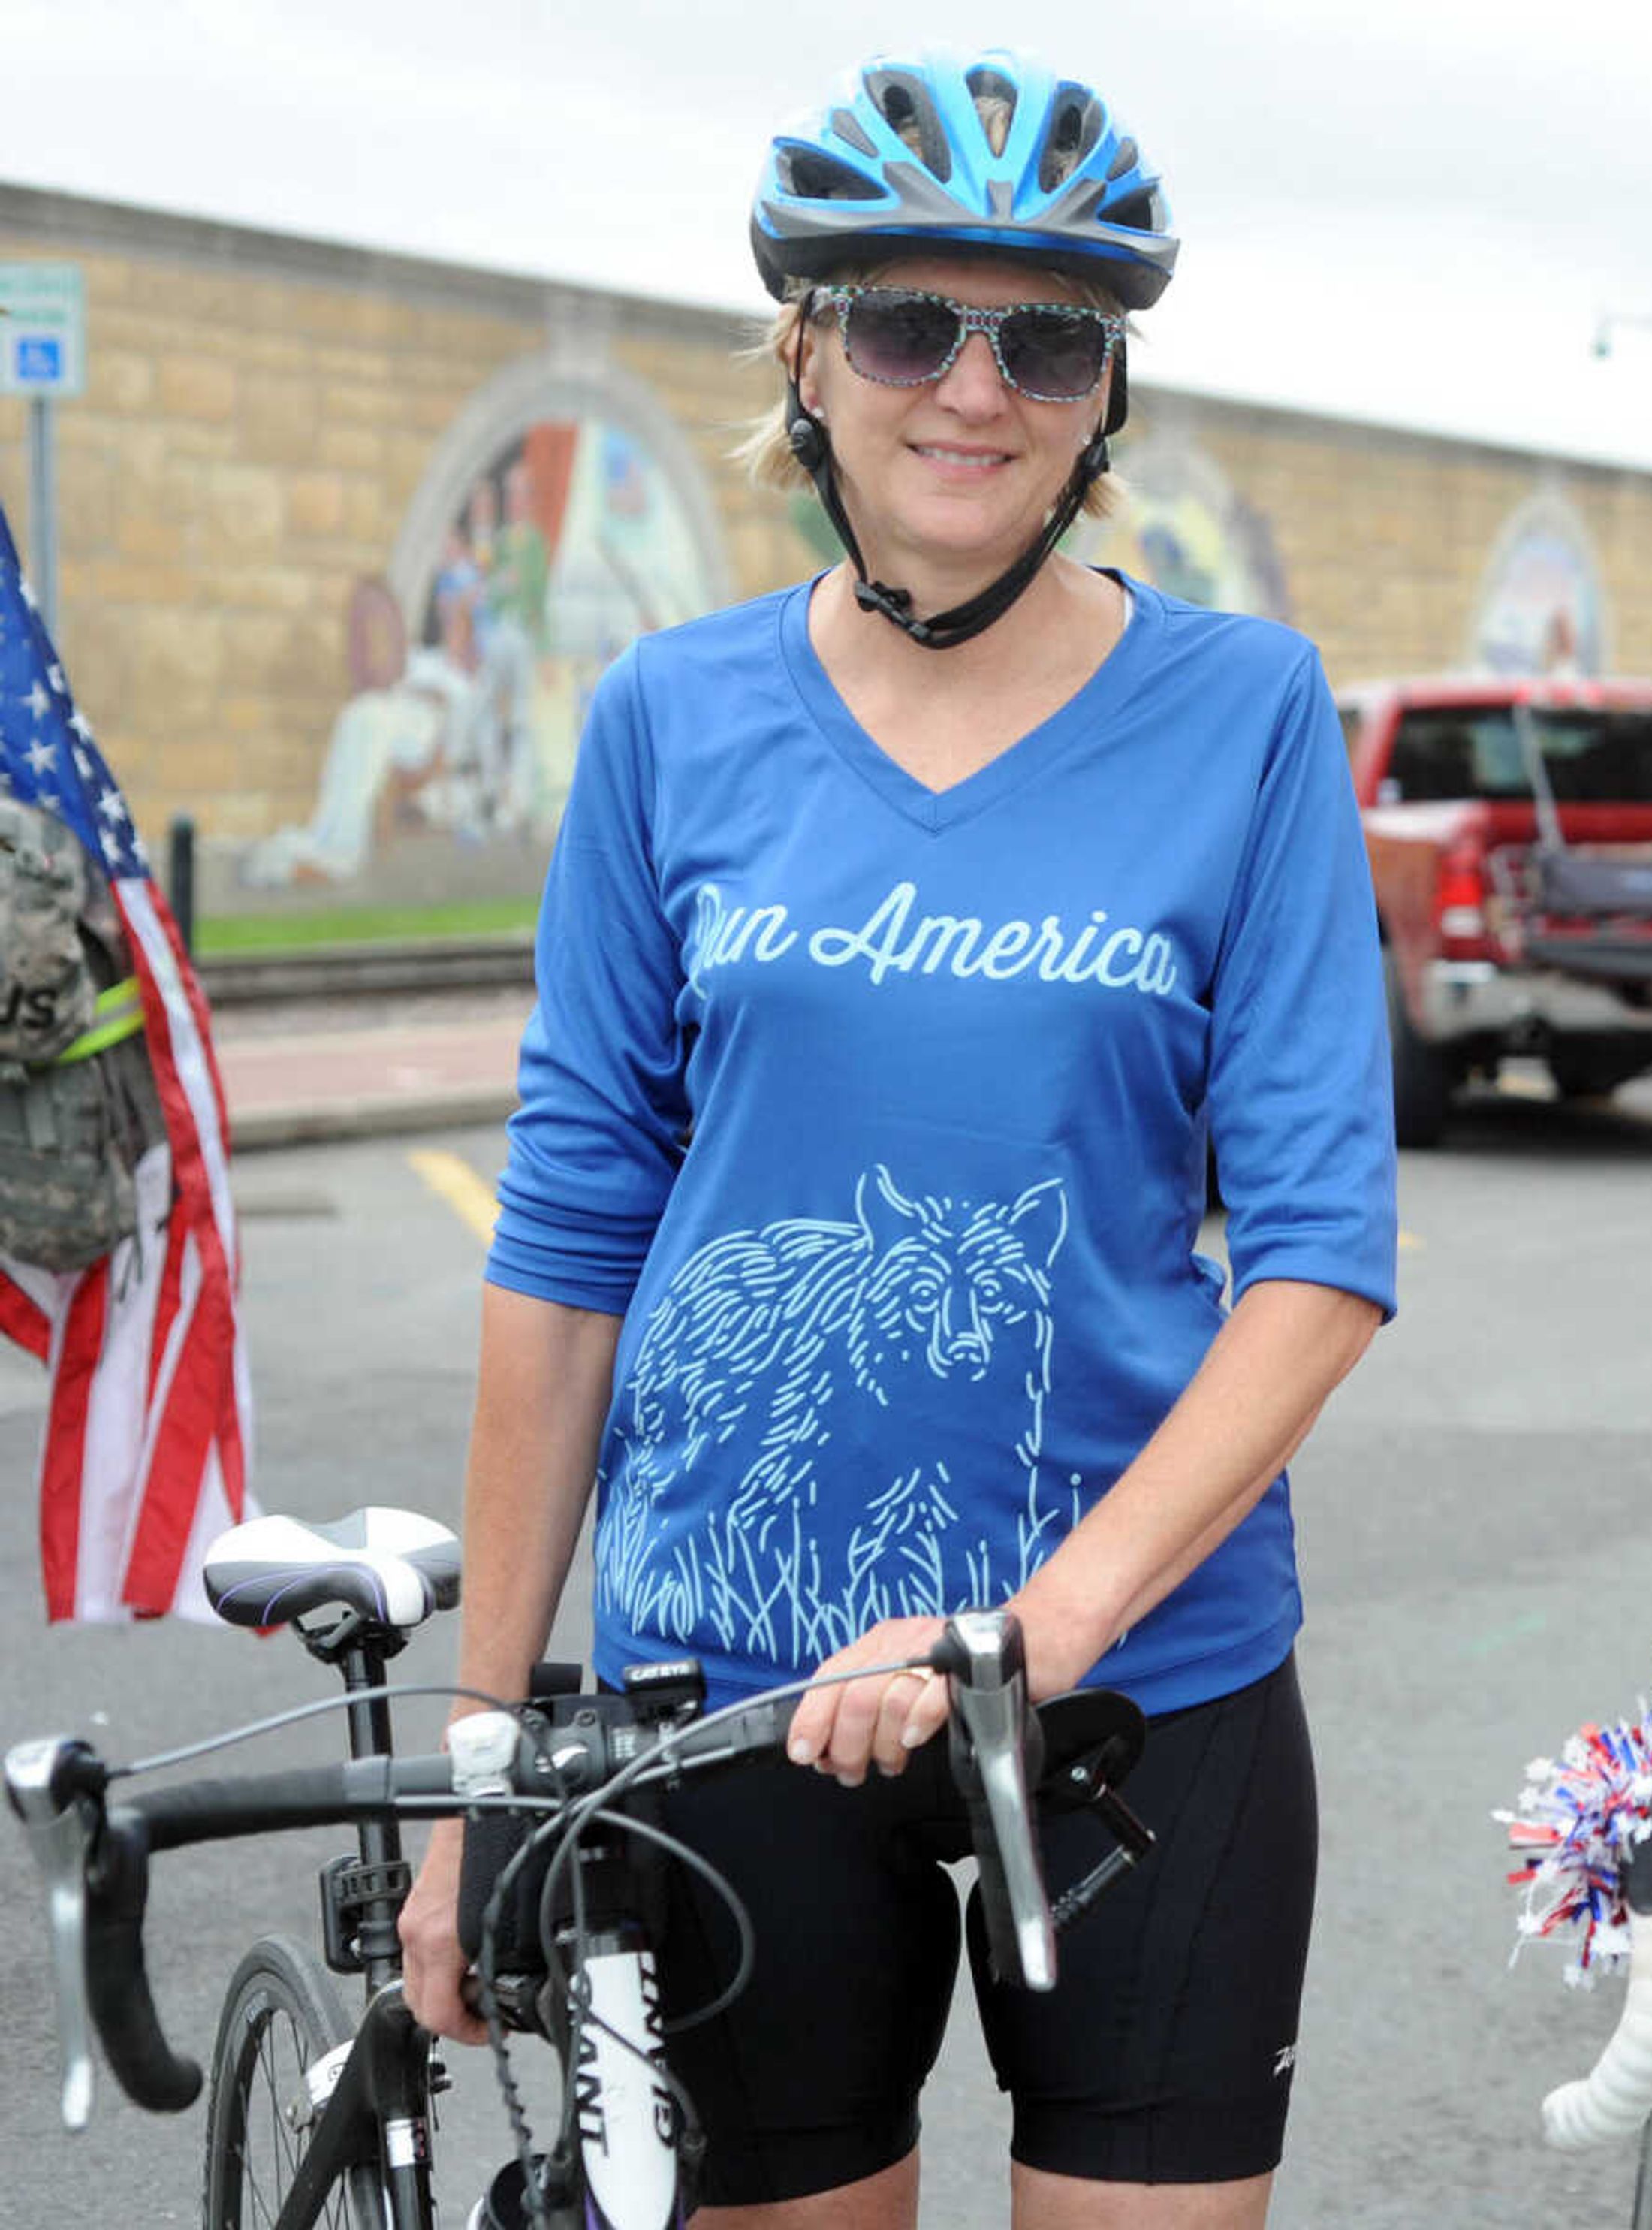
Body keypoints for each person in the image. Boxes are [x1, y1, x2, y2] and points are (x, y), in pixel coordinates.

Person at [396, 44, 1396, 2230]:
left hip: (1145, 1678)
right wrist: (486, 1772)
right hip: (732, 1696)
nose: (974, 385)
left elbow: (1320, 1253)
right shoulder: (672, 712)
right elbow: (569, 1246)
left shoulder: (1248, 714)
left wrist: (1044, 1622)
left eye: (1047, 336)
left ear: (1104, 392)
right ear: (806, 359)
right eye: (907, 323)